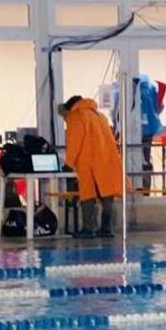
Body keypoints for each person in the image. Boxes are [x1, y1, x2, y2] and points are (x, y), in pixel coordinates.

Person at [61, 95, 125, 238]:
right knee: (107, 196)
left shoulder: (76, 116)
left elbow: (75, 142)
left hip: (88, 162)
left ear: (69, 108)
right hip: (107, 161)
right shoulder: (100, 116)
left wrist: (69, 164)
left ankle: (88, 228)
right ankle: (106, 228)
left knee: (87, 194)